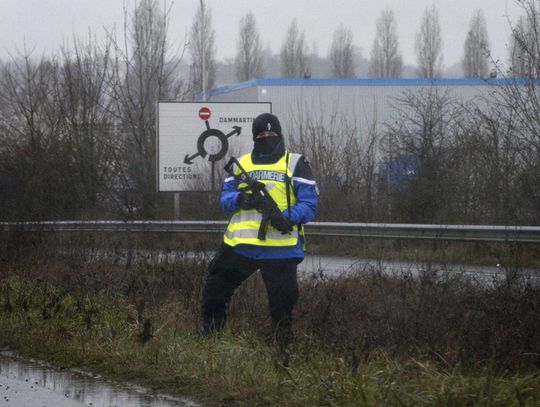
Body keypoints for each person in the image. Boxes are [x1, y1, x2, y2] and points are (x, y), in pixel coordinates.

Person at [201, 113, 318, 344]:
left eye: (271, 134)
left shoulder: (296, 163)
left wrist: (287, 218)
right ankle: (210, 340)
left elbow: (310, 204)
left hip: (280, 248)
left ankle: (282, 348)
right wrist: (241, 199)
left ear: (280, 135)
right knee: (215, 290)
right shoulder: (242, 164)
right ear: (254, 137)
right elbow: (224, 201)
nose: (267, 137)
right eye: (261, 134)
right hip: (240, 246)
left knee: (282, 305)